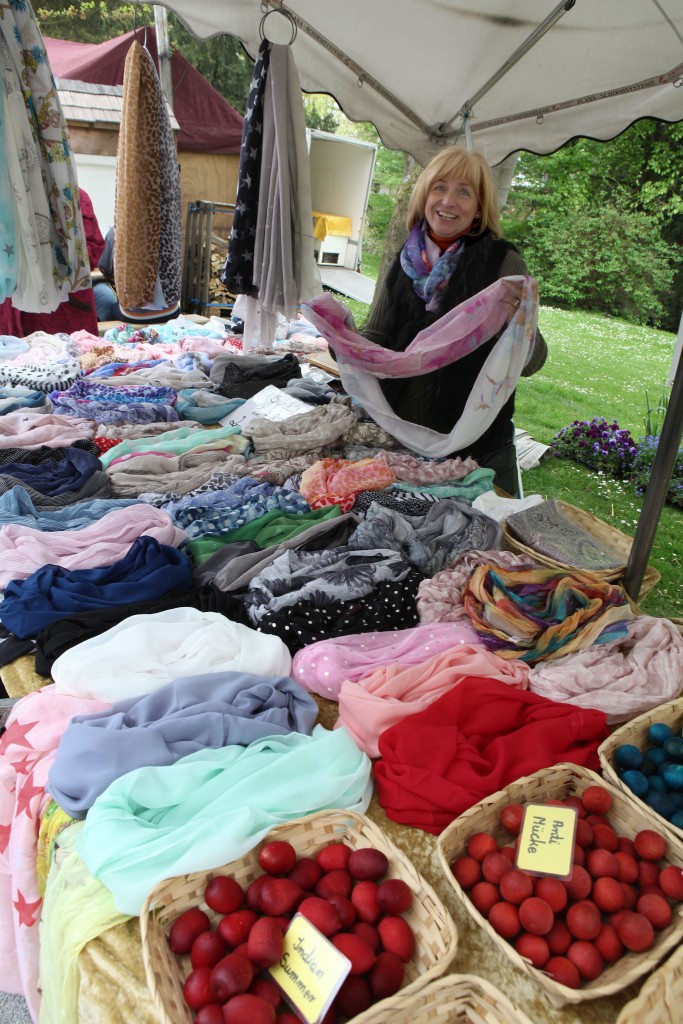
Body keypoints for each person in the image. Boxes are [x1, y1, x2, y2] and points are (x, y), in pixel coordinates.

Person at [361, 148, 547, 495]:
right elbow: (377, 333)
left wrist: (510, 322)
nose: (448, 200)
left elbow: (533, 361)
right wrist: (342, 338)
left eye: (464, 192)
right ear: (424, 195)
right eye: (439, 187)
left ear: (479, 207)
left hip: (470, 452)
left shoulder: (502, 262)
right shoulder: (405, 260)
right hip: (399, 439)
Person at [0, 188, 104, 338]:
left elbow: (93, 250)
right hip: (12, 316)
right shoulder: (5, 198)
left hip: (62, 316)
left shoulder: (70, 193)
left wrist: (47, 257)